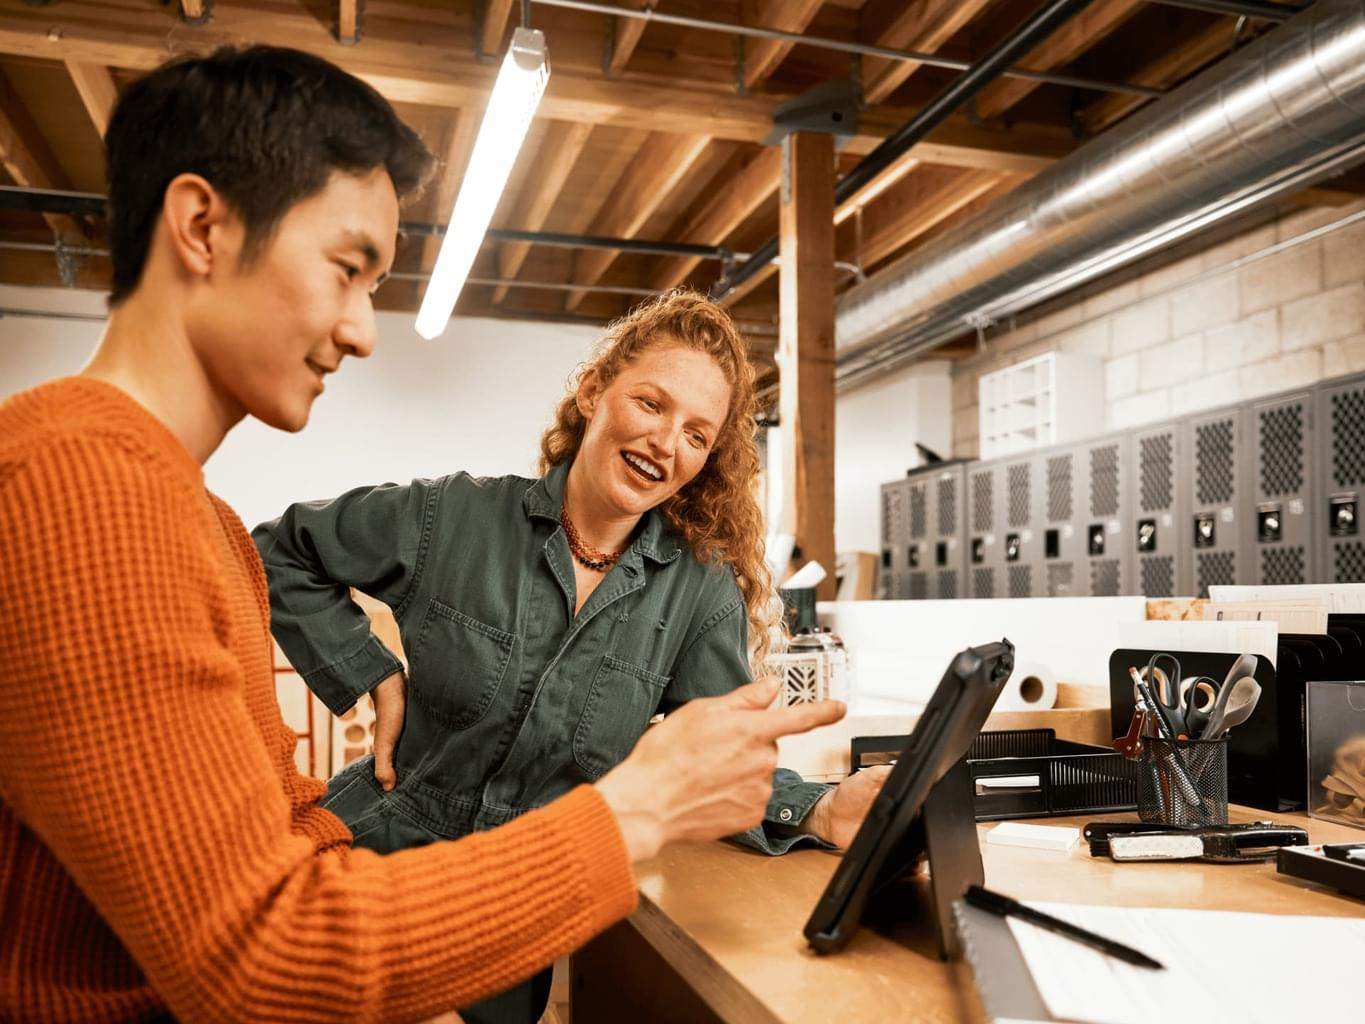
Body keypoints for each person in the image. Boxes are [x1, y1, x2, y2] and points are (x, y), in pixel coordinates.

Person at [0, 46, 847, 1023]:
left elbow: (283, 841)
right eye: (348, 269)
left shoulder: (201, 523)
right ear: (203, 227)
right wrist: (631, 811)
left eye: (699, 432)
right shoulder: (81, 497)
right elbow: (260, 959)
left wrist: (417, 975)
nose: (364, 329)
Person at [254, 290, 893, 1022]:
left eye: (695, 434)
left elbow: (720, 753)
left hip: (513, 913)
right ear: (594, 391)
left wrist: (819, 810)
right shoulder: (452, 516)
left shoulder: (696, 592)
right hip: (372, 863)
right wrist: (373, 677)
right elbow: (280, 550)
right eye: (651, 405)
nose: (665, 443)